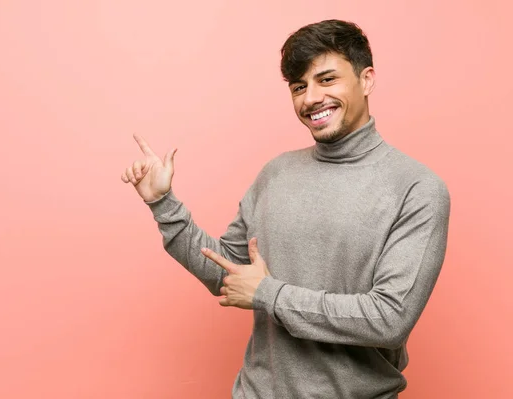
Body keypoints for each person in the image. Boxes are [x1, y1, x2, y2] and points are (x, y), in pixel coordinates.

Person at [121, 19, 450, 399]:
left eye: (326, 80)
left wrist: (269, 294)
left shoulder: (417, 188)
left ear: (367, 80)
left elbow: (389, 319)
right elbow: (227, 273)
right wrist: (163, 204)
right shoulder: (276, 173)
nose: (310, 98)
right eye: (299, 87)